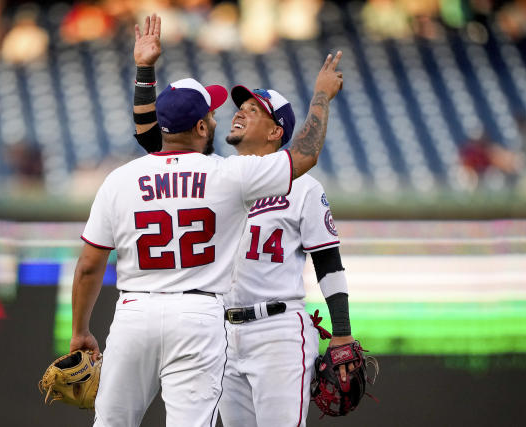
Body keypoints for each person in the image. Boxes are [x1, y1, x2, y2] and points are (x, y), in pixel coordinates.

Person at [70, 13, 343, 427]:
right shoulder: (225, 175)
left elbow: (91, 263)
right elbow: (304, 154)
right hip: (204, 319)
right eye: (221, 110)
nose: (230, 114)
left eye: (253, 109)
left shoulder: (125, 178)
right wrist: (321, 98)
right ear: (201, 126)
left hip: (149, 313)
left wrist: (145, 70)